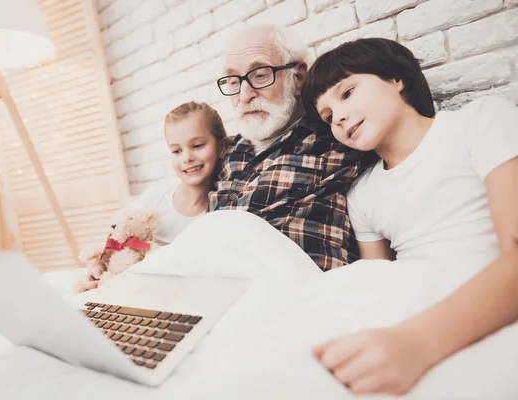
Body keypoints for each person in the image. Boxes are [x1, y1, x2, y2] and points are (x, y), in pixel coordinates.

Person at [302, 38, 518, 395]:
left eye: (347, 92)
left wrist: (413, 344)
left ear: (394, 78)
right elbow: (378, 285)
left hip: (474, 314)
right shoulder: (361, 195)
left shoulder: (479, 121)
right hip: (410, 310)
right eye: (327, 117)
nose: (337, 117)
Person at [210, 25, 376, 270]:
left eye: (260, 75)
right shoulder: (228, 151)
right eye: (234, 81)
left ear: (298, 78)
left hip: (298, 298)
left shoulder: (336, 139)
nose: (244, 95)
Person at [80, 101, 227, 291]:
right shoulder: (156, 198)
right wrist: (98, 266)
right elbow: (117, 237)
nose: (186, 158)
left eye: (197, 145)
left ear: (221, 147)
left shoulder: (222, 211)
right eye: (176, 151)